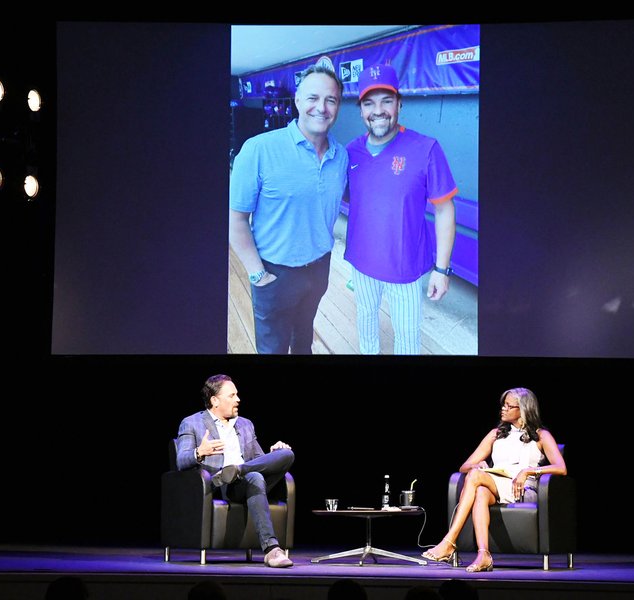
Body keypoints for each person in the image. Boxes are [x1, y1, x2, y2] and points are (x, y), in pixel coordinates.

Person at [229, 63, 349, 355]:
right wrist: (258, 275)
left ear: (338, 106)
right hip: (274, 274)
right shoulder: (258, 149)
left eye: (330, 100)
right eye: (312, 98)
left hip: (319, 268)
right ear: (297, 100)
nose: (321, 107)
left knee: (304, 339)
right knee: (273, 349)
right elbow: (236, 219)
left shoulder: (341, 156)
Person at [344, 63, 457, 355]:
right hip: (361, 263)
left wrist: (442, 269)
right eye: (369, 103)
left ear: (399, 103)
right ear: (360, 110)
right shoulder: (351, 151)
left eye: (386, 101)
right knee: (366, 318)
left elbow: (444, 210)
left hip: (404, 267)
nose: (378, 110)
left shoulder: (426, 148)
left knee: (407, 336)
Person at [422, 387, 567, 572]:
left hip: (521, 490)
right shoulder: (496, 434)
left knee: (476, 478)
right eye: (503, 405)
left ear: (523, 409)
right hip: (496, 485)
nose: (503, 409)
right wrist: (478, 464)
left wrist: (528, 471)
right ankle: (484, 554)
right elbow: (464, 467)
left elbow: (561, 468)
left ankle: (449, 542)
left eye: (508, 406)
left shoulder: (541, 436)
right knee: (480, 491)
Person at [176, 374, 295, 568]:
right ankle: (272, 550)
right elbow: (181, 460)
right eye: (232, 395)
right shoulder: (192, 423)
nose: (238, 399)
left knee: (287, 454)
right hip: (221, 485)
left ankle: (238, 469)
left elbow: (259, 461)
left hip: (247, 478)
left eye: (237, 395)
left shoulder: (245, 424)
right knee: (255, 477)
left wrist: (274, 454)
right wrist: (200, 452)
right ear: (215, 400)